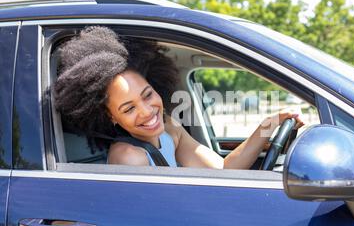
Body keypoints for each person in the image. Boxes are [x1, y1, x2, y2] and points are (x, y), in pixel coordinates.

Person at [54, 26, 304, 169]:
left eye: (147, 95)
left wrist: (266, 127)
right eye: (128, 108)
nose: (147, 112)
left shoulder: (170, 128)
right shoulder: (128, 157)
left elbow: (223, 171)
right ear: (111, 116)